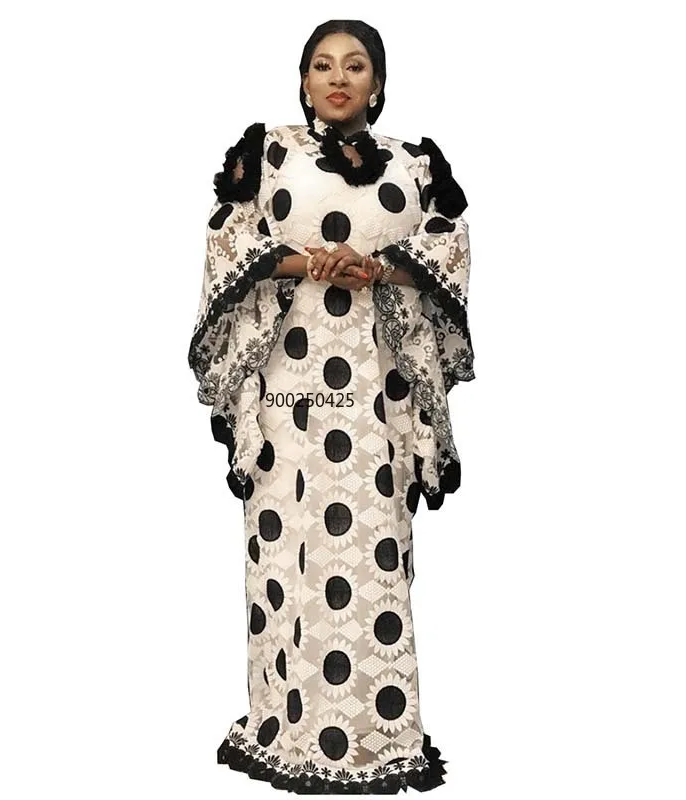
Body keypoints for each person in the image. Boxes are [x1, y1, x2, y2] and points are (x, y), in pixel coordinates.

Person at [188, 18, 475, 795]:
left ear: (377, 85)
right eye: (322, 65)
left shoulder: (414, 166)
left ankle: (377, 739)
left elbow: (449, 243)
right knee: (289, 551)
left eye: (355, 66)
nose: (338, 77)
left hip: (375, 393)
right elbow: (226, 237)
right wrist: (301, 262)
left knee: (373, 550)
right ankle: (285, 728)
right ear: (304, 81)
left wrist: (377, 268)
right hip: (290, 392)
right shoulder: (271, 153)